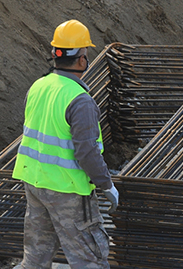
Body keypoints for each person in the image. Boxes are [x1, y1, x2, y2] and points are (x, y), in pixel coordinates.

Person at [12, 19, 119, 269]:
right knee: (89, 258)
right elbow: (87, 153)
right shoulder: (79, 100)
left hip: (35, 183)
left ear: (54, 54)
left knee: (36, 257)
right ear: (82, 59)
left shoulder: (37, 87)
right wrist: (106, 185)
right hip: (67, 189)